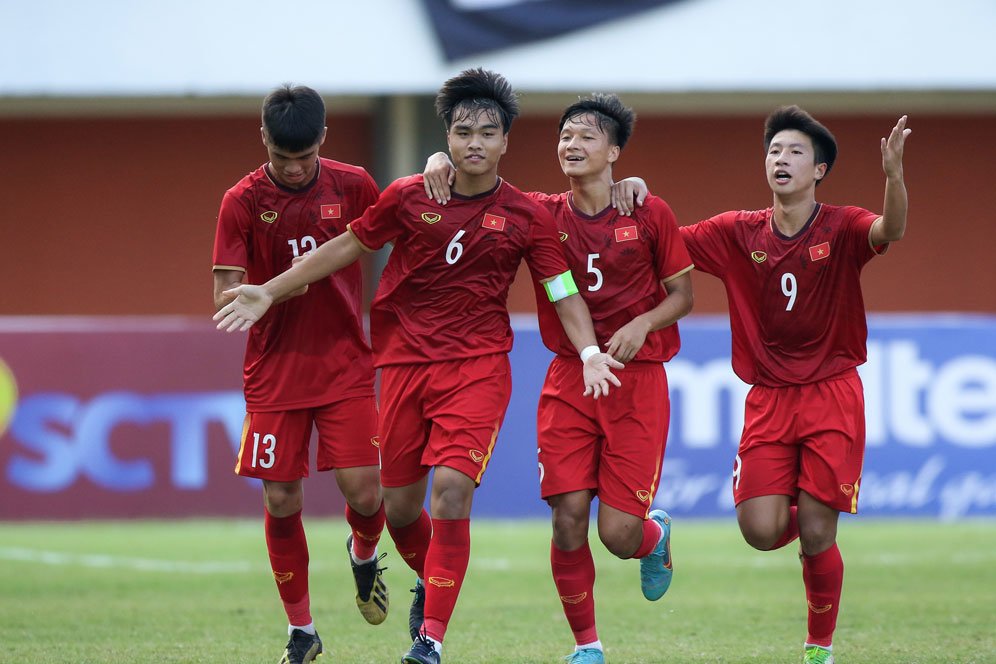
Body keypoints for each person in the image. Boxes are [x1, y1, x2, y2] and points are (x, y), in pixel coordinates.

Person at [213, 69, 623, 664]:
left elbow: (561, 288)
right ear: (448, 138)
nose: (474, 143)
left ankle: (429, 640)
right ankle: (391, 573)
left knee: (452, 492)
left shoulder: (527, 215)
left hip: (478, 367)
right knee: (397, 509)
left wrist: (588, 351)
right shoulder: (410, 194)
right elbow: (348, 245)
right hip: (404, 366)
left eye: (488, 132)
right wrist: (269, 291)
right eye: (462, 132)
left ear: (507, 141)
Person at [626, 107, 910, 664]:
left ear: (819, 169)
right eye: (774, 150)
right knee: (759, 530)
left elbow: (891, 230)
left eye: (795, 152)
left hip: (832, 393)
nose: (781, 159)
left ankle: (818, 647)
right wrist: (636, 196)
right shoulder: (737, 231)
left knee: (816, 529)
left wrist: (894, 177)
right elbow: (663, 244)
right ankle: (798, 529)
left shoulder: (842, 225)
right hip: (769, 399)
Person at [422, 93, 693, 664]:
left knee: (619, 535)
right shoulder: (541, 212)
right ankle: (587, 646)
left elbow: (683, 296)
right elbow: (482, 185)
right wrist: (435, 163)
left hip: (635, 383)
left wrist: (643, 323)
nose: (571, 145)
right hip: (569, 379)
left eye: (587, 137)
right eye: (565, 136)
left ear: (614, 150)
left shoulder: (649, 212)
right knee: (568, 516)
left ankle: (656, 538)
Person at [212, 84, 390, 664]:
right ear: (263, 138)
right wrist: (248, 293)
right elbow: (225, 293)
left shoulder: (355, 184)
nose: (293, 170)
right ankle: (302, 631)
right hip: (274, 371)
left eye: (305, 158)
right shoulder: (240, 200)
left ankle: (364, 553)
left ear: (323, 142)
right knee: (282, 498)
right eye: (282, 158)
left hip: (344, 362)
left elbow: (403, 225)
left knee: (365, 493)